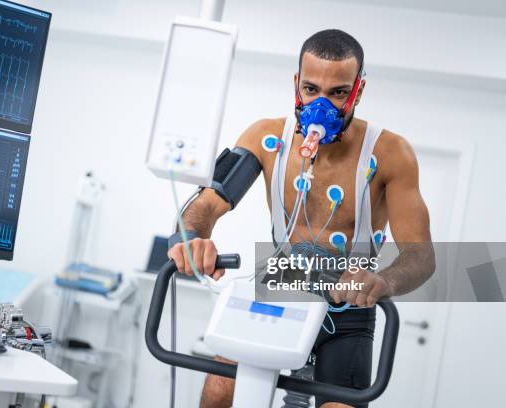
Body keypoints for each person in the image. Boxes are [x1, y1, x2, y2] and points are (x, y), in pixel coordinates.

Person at [168, 29, 435, 408]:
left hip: (347, 306)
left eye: (338, 93)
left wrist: (383, 280)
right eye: (311, 90)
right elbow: (205, 205)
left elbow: (422, 257)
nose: (320, 105)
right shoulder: (266, 138)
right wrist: (192, 237)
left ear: (357, 91)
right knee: (219, 393)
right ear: (296, 84)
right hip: (280, 288)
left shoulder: (391, 153)